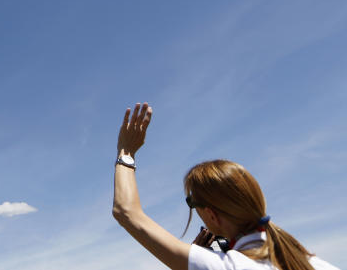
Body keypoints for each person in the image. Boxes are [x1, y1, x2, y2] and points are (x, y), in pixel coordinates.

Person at [112, 102, 340, 270]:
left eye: (192, 202)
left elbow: (126, 212)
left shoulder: (226, 266)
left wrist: (126, 152)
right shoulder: (314, 263)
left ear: (211, 215)